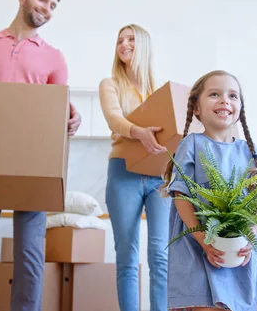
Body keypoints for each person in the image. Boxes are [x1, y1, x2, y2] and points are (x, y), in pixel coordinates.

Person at [0, 0, 82, 311]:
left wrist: (71, 117)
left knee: (28, 253)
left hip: (32, 161)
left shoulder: (55, 57)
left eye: (53, 5)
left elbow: (60, 108)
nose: (47, 9)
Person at [160, 70, 257, 311]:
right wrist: (203, 240)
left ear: (240, 108)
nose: (224, 101)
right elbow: (181, 196)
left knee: (233, 305)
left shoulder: (251, 154)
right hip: (196, 246)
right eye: (214, 94)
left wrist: (250, 236)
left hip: (237, 251)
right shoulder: (192, 145)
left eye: (233, 96)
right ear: (196, 108)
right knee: (203, 303)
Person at [98, 24, 170, 311]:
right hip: (123, 173)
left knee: (161, 255)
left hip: (158, 177)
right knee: (127, 257)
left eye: (131, 39)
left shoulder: (159, 90)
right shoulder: (110, 84)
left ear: (144, 46)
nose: (124, 45)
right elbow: (114, 119)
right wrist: (139, 132)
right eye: (120, 41)